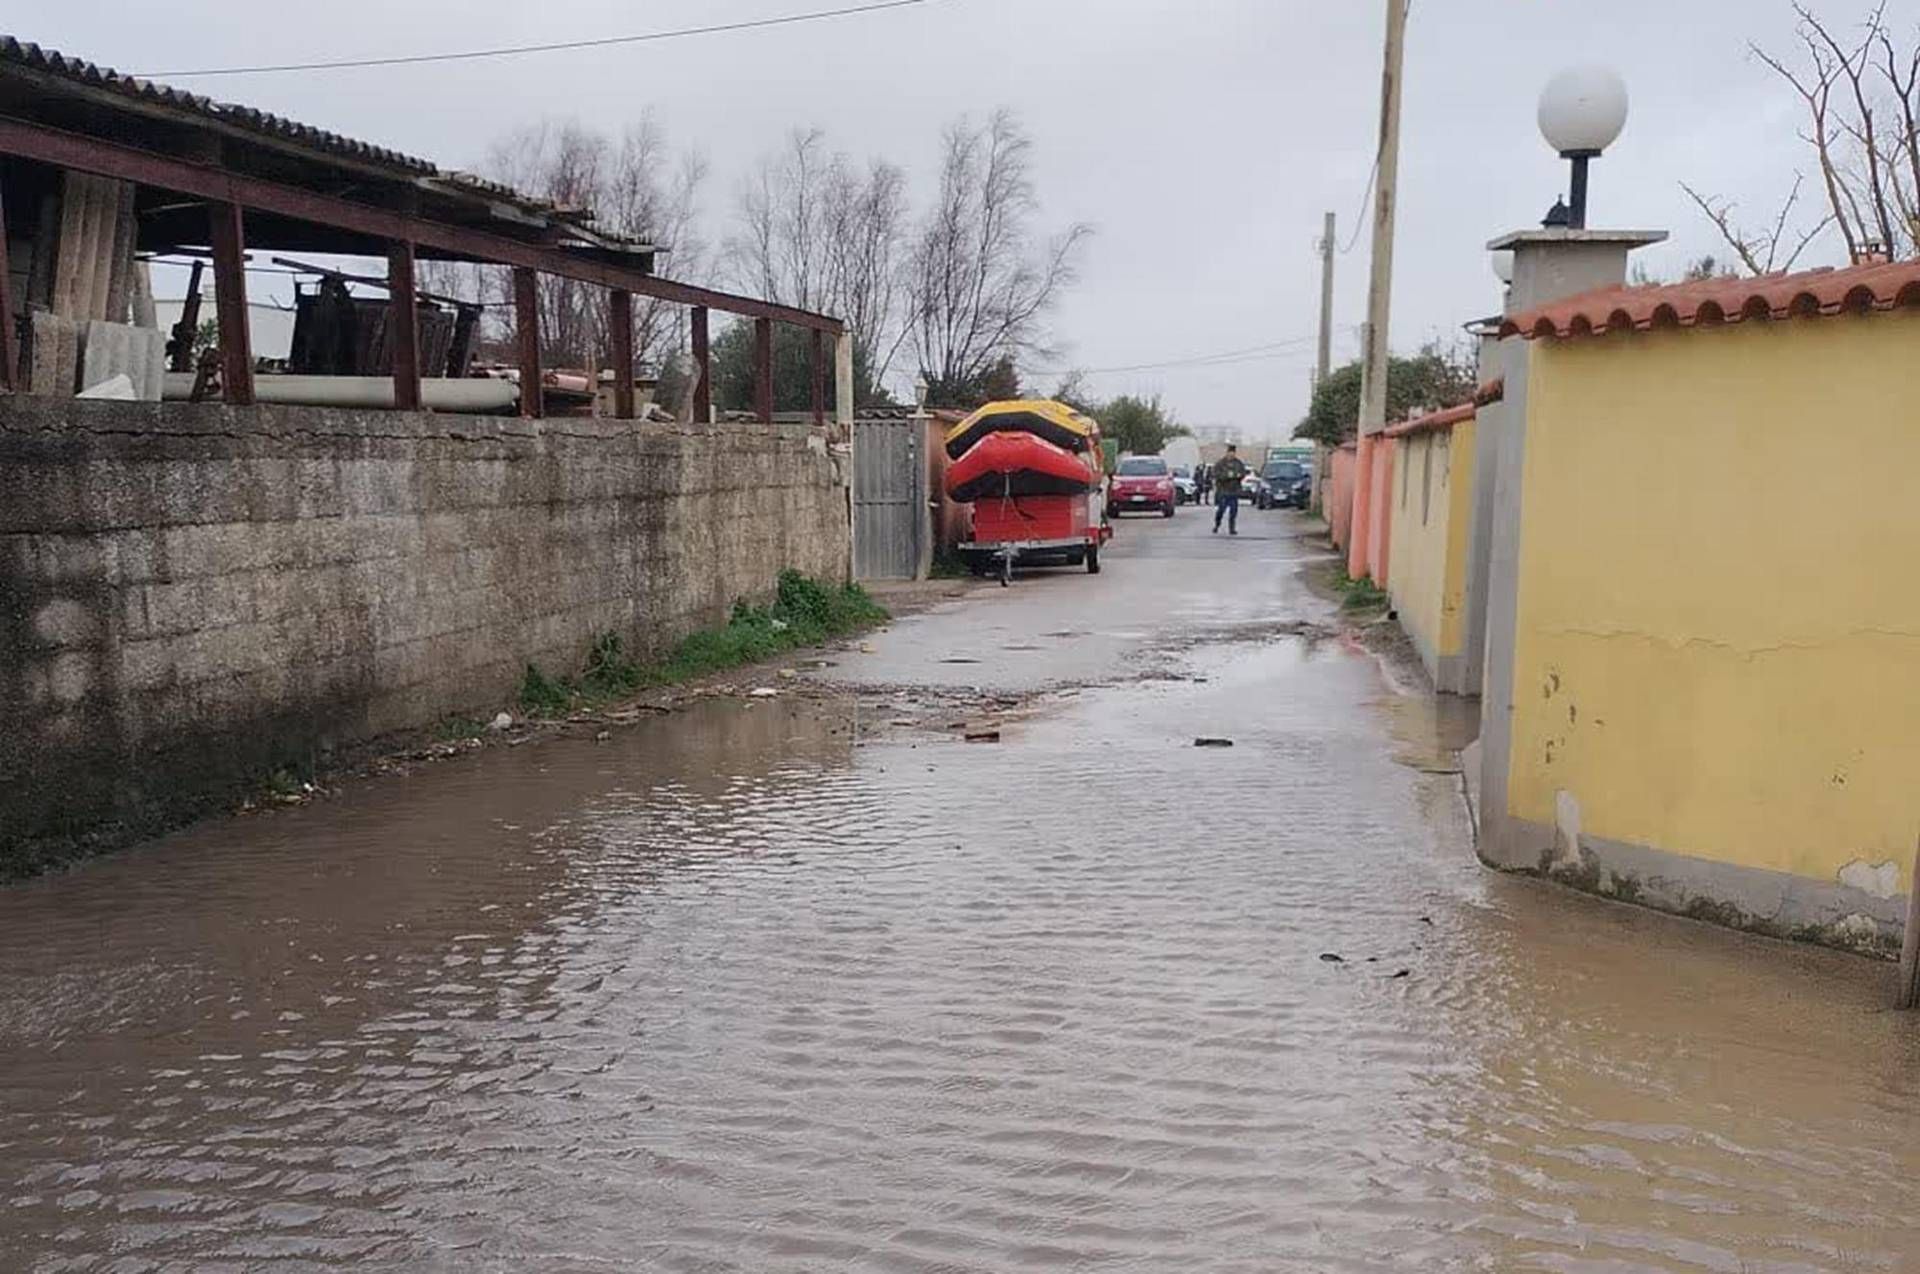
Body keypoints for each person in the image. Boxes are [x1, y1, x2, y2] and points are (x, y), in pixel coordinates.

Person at [1212, 445, 1248, 535]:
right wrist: (1226, 476)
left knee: (1233, 512)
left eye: (1233, 453)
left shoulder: (1238, 463)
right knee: (1221, 510)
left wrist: (1236, 476)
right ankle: (1217, 524)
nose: (1231, 454)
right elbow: (1215, 474)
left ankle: (1232, 528)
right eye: (1230, 453)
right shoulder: (1220, 463)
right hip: (1223, 491)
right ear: (1227, 453)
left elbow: (1242, 473)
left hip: (1234, 491)